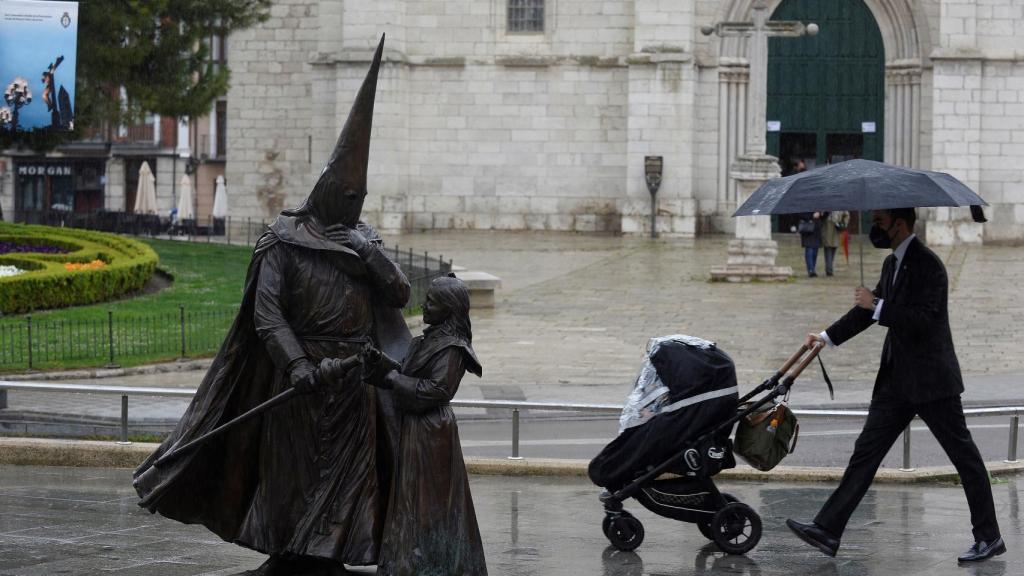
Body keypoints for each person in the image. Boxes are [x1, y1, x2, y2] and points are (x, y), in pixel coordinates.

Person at [133, 36, 413, 576]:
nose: (355, 206)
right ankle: (286, 558)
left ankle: (331, 559)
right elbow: (266, 314)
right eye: (348, 197)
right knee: (292, 472)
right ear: (327, 188)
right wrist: (297, 364)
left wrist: (368, 253)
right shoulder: (283, 239)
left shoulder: (363, 239)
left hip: (352, 378)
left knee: (349, 475)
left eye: (361, 199)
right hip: (301, 377)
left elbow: (399, 293)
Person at [786, 208, 1004, 563]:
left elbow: (923, 320)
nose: (874, 228)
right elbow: (866, 313)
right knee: (865, 453)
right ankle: (827, 529)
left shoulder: (929, 265)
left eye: (879, 222)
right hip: (897, 383)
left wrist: (879, 305)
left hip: (933, 382)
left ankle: (989, 537)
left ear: (899, 224)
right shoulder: (892, 264)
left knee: (965, 459)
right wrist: (826, 337)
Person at [370, 275, 487, 576]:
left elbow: (437, 390)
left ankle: (433, 564)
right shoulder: (428, 339)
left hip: (433, 432)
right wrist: (383, 369)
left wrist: (395, 379)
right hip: (416, 428)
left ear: (448, 309)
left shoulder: (452, 347)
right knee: (411, 497)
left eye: (431, 302)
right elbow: (410, 374)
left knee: (430, 501)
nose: (423, 304)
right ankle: (409, 562)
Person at [821, 211, 849, 277]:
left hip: (836, 230)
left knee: (832, 249)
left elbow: (846, 214)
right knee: (829, 249)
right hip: (828, 230)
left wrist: (844, 223)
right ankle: (829, 270)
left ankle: (829, 269)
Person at [798, 211, 822, 277]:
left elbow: (825, 215)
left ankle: (813, 269)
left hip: (817, 229)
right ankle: (811, 270)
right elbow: (800, 214)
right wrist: (812, 216)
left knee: (815, 250)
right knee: (809, 249)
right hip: (808, 228)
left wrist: (821, 213)